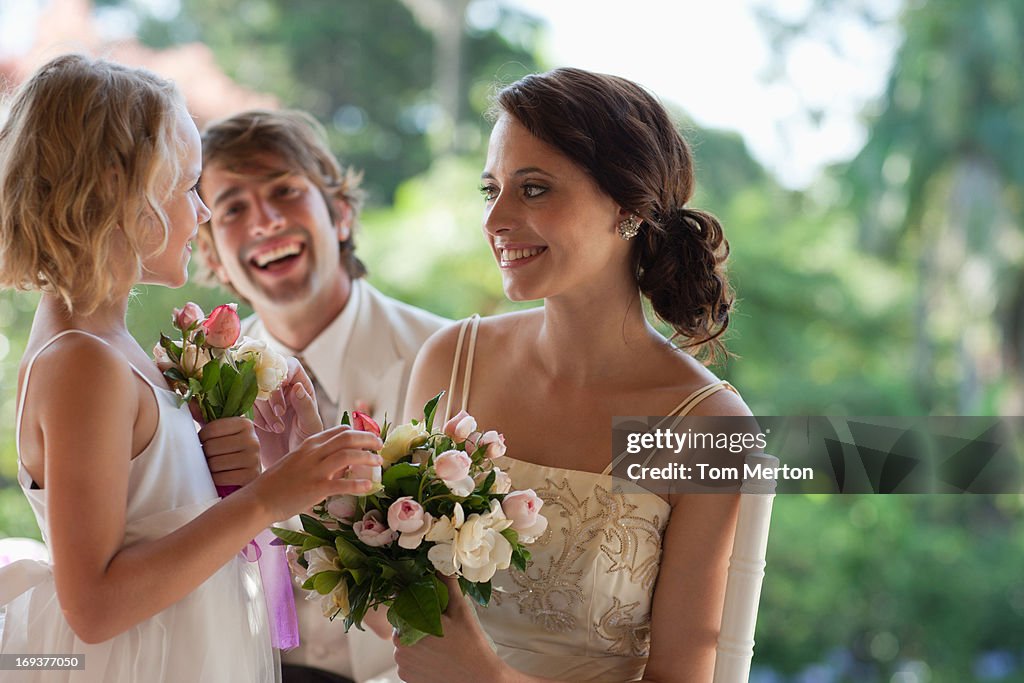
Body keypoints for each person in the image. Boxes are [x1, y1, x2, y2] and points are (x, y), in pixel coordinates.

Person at [0, 54, 382, 682]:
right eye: (185, 188)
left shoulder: (111, 347)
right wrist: (267, 498)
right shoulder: (82, 363)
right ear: (122, 196)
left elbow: (157, 521)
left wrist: (251, 469)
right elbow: (94, 608)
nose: (201, 214)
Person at [396, 67, 753, 683]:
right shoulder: (451, 359)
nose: (495, 220)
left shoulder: (706, 426)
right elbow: (401, 606)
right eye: (492, 190)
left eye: (533, 190)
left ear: (629, 208)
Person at [196, 109, 448, 683]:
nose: (264, 221)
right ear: (213, 256)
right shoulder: (198, 387)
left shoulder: (442, 354)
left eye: (285, 191)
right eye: (232, 208)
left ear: (340, 214)